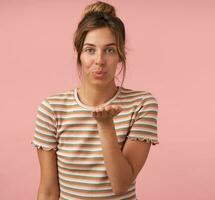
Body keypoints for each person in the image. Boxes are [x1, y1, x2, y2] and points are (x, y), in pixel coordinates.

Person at [31, 1, 159, 199]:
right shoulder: (52, 109)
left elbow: (121, 185)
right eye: (90, 50)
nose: (99, 60)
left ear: (120, 55)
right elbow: (48, 189)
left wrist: (105, 124)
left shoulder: (141, 104)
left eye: (109, 50)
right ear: (79, 54)